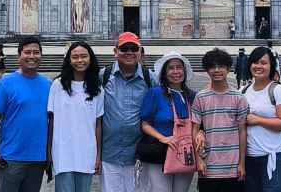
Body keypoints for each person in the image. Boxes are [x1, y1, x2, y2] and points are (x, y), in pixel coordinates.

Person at [0, 36, 51, 192]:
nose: (32, 56)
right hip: (12, 156)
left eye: (36, 52)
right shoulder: (5, 84)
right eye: (27, 52)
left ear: (41, 55)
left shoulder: (49, 85)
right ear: (19, 56)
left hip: (39, 157)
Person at [48, 41, 104, 192]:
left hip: (87, 152)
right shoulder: (57, 85)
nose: (80, 60)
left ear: (90, 59)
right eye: (75, 57)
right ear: (69, 60)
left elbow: (98, 123)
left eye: (84, 56)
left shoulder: (97, 88)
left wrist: (98, 154)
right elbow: (51, 120)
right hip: (62, 152)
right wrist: (49, 152)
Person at [101, 32, 152, 192]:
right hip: (110, 153)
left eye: (133, 48)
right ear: (115, 52)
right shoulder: (103, 76)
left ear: (140, 52)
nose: (129, 52)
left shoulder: (150, 78)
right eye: (124, 48)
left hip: (139, 154)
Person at [191, 48, 248, 192]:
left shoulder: (239, 97)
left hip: (233, 165)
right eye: (212, 66)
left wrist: (242, 163)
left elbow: (242, 131)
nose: (217, 70)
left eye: (221, 66)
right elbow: (195, 129)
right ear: (206, 70)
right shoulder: (201, 97)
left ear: (228, 69)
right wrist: (199, 160)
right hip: (209, 165)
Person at [140, 52, 197, 192]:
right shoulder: (155, 93)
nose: (176, 71)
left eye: (179, 67)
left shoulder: (192, 96)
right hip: (160, 152)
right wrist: (162, 138)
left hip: (185, 152)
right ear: (164, 73)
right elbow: (145, 124)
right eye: (171, 68)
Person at [242, 47, 281, 192]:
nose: (258, 66)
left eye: (263, 63)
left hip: (276, 155)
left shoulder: (278, 90)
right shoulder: (243, 91)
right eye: (254, 62)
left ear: (271, 66)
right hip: (250, 156)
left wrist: (258, 120)